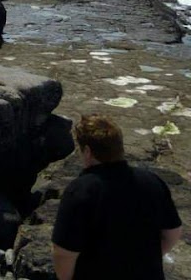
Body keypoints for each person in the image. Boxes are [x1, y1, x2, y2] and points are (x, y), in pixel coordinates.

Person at [52, 114, 182, 280]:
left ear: (87, 151)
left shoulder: (80, 191)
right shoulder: (152, 182)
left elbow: (64, 252)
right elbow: (173, 233)